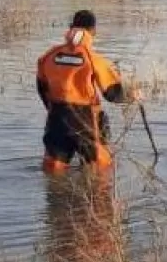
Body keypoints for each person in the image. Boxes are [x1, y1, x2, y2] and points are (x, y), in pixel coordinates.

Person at [36, 9, 137, 174]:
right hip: (85, 120)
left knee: (53, 171)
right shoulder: (93, 58)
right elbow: (113, 94)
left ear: (71, 27)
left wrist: (57, 112)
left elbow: (42, 89)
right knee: (100, 171)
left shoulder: (49, 56)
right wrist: (133, 95)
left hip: (56, 119)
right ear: (92, 31)